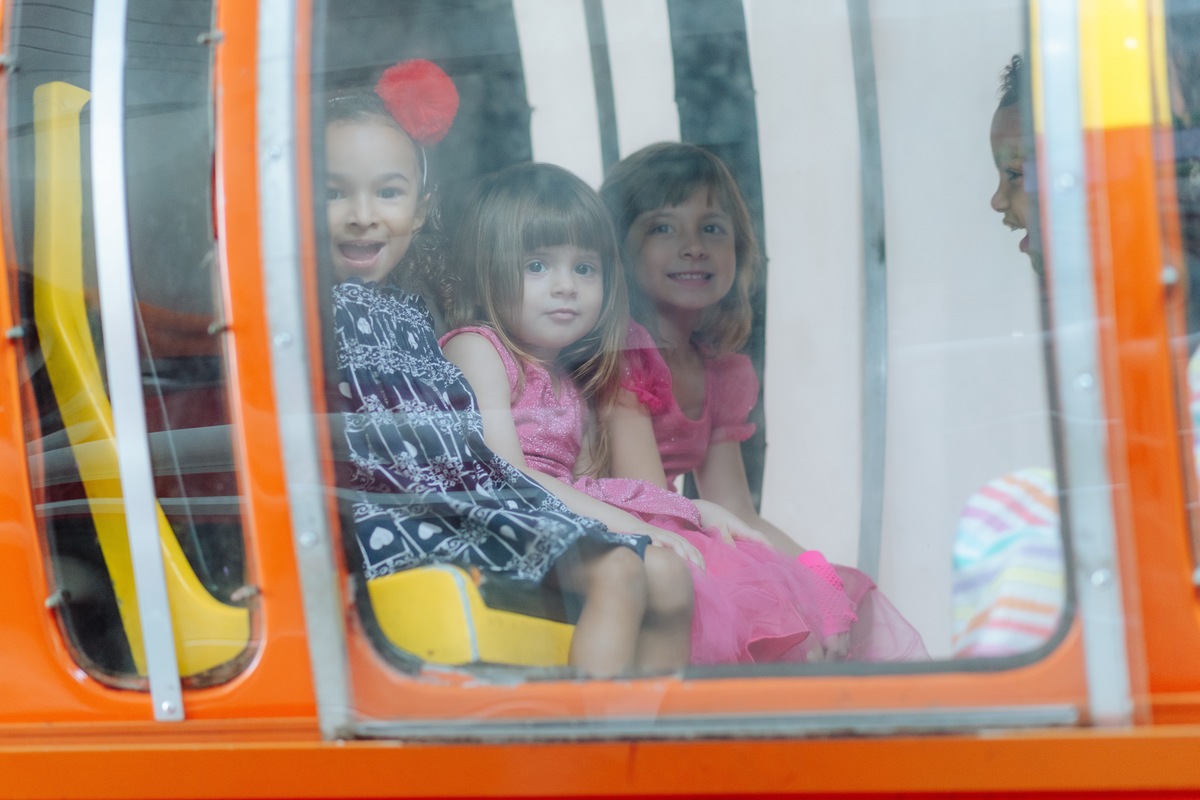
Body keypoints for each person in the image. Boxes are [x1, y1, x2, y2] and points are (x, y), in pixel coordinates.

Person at [441, 162, 927, 663]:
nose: (565, 286)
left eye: (583, 269)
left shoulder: (571, 374)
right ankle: (605, 727)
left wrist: (701, 512)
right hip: (510, 520)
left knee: (694, 577)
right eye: (538, 266)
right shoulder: (491, 351)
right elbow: (506, 471)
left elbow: (596, 484)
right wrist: (646, 523)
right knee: (666, 571)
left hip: (570, 517)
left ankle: (654, 725)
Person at [327, 60, 695, 677]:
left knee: (668, 574)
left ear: (419, 211)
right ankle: (594, 752)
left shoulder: (410, 316)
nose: (363, 214)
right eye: (335, 192)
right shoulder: (311, 311)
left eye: (387, 192)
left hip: (470, 500)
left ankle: (653, 755)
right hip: (408, 513)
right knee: (619, 569)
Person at [598, 142, 803, 559]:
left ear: (739, 248)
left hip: (676, 533)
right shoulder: (623, 357)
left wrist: (818, 572)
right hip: (625, 545)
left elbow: (737, 512)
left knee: (831, 588)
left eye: (712, 228)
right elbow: (654, 509)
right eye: (663, 227)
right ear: (618, 249)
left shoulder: (717, 371)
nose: (694, 246)